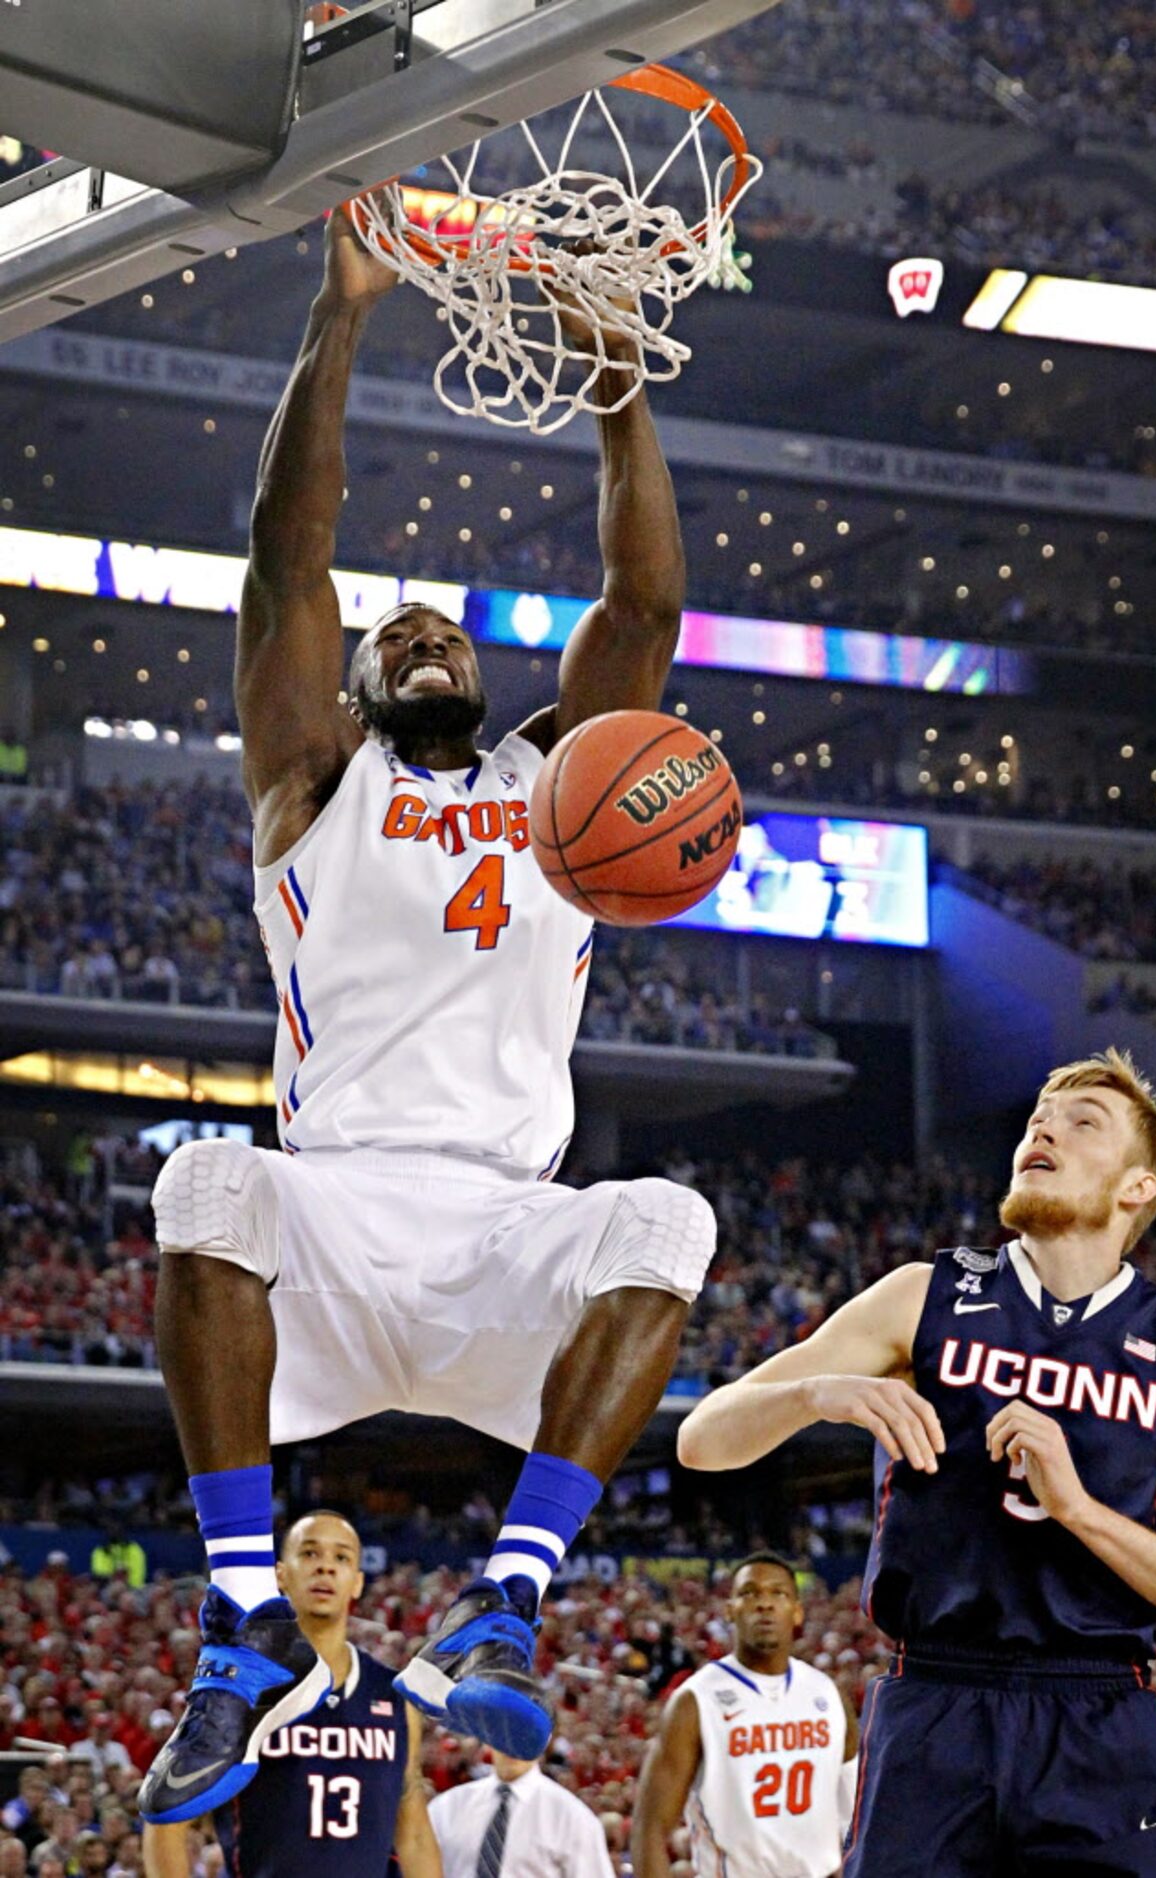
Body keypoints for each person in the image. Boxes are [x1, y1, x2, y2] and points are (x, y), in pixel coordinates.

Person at [140, 205, 715, 1825]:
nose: (420, 630)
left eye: (443, 623)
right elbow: (288, 554)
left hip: (501, 1228)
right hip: (334, 1207)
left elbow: (645, 599)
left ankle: (508, 1592)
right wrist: (341, 317)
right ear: (361, 685)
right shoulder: (314, 777)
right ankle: (245, 1618)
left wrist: (617, 379)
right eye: (394, 635)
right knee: (201, 1180)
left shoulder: (565, 781)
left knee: (667, 1217)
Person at [678, 1049, 1156, 1877]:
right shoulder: (923, 1294)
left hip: (1101, 1713)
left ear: (1138, 1187)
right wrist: (816, 1394)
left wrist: (1082, 1511)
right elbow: (702, 1438)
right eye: (1038, 1119)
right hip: (935, 1704)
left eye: (1081, 1123)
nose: (1044, 1129)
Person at [143, 1512, 439, 1877]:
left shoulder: (394, 1696)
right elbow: (166, 1819)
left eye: (341, 1558)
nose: (326, 1568)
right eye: (311, 1554)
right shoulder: (240, 1686)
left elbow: (414, 1835)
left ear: (358, 1582)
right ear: (280, 1574)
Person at [634, 1553, 858, 1877]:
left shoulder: (827, 1693)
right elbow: (650, 1827)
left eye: (778, 1593)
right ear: (729, 1610)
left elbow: (858, 1815)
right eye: (750, 1592)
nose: (764, 1604)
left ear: (797, 1612)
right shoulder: (695, 1701)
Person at [427, 1745, 613, 1877]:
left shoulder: (573, 1817)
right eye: (503, 1729)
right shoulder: (446, 1807)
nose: (513, 1741)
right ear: (488, 1737)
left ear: (544, 1739)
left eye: (523, 1730)